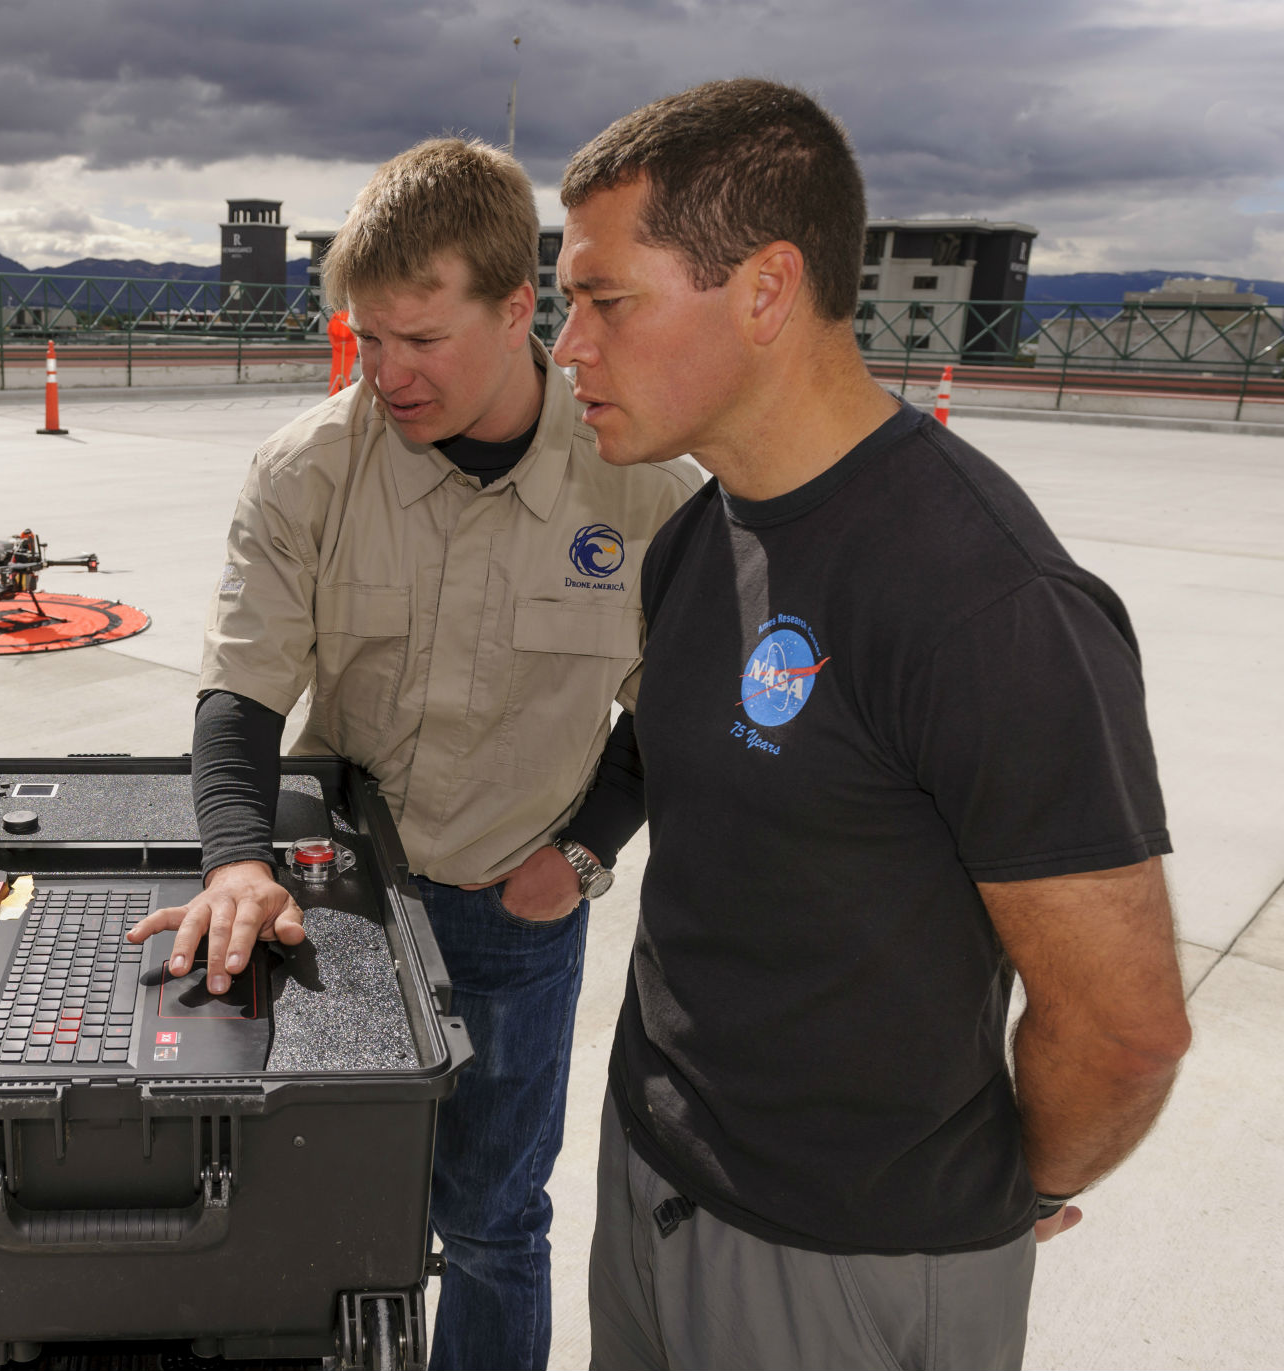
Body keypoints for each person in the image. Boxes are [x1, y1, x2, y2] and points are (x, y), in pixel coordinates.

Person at [548, 79, 1193, 1370]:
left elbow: (1124, 1024)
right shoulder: (698, 534)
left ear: (767, 289)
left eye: (606, 300)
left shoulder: (985, 602)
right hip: (654, 1172)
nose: (569, 346)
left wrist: (1008, 1197)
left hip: (846, 1257)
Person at [128, 137, 704, 1371]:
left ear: (514, 310)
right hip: (339, 903)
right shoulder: (308, 472)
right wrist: (235, 861)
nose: (384, 371)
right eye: (365, 337)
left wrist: (584, 855)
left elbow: (677, 712)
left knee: (494, 1226)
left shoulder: (645, 493)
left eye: (420, 339)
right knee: (312, 1208)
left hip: (515, 907)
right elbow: (239, 689)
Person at [327, 307, 358, 395]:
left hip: (345, 348)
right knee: (342, 373)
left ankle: (338, 391)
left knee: (341, 373)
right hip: (344, 348)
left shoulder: (338, 317)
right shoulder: (339, 317)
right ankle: (339, 391)